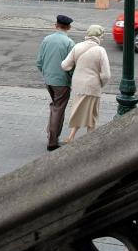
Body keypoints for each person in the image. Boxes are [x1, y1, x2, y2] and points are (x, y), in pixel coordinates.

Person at [61, 24, 110, 142]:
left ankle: (71, 136)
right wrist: (100, 84)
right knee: (92, 113)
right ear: (99, 36)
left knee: (78, 109)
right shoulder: (100, 50)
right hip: (92, 87)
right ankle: (90, 139)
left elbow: (65, 65)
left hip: (78, 85)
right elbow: (106, 75)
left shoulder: (77, 47)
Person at [36, 14, 75, 151]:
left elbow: (39, 62)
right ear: (69, 27)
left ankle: (51, 132)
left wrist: (47, 74)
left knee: (55, 106)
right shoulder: (69, 43)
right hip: (62, 82)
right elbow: (71, 66)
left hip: (49, 81)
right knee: (58, 109)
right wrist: (70, 78)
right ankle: (52, 141)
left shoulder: (47, 39)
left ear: (55, 25)